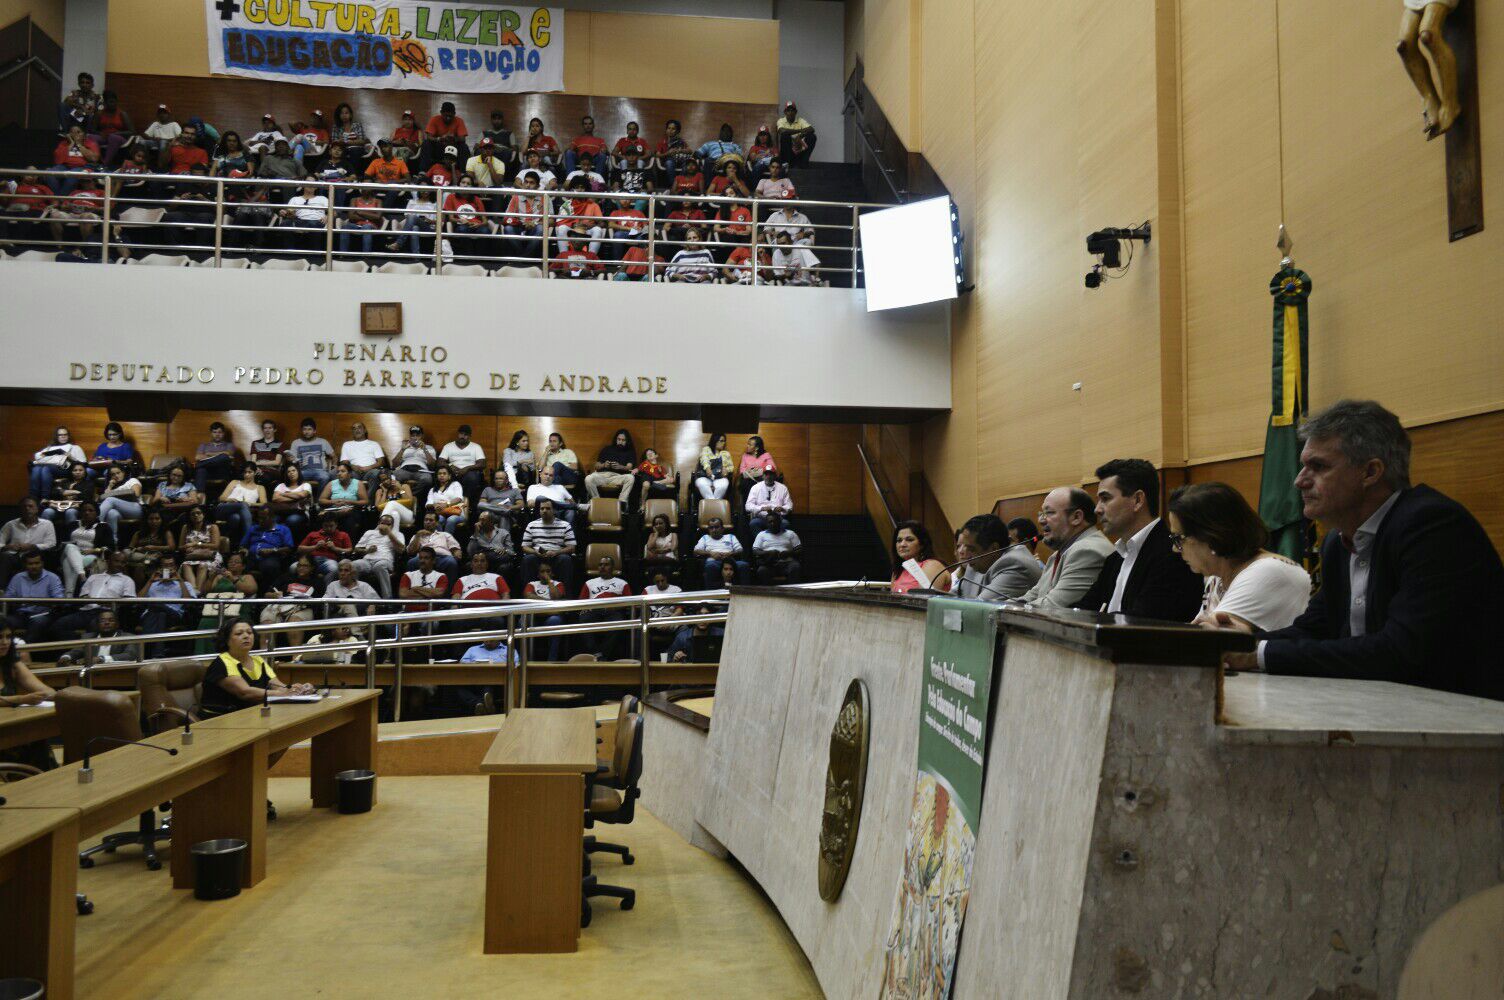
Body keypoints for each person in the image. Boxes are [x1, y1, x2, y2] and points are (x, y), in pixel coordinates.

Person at [1223, 400, 1504, 698]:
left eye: (1317, 467)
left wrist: (1258, 654)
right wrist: (1239, 642)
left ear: (1370, 472)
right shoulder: (1338, 541)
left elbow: (1401, 652)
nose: (1299, 481)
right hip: (1387, 710)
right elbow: (1315, 629)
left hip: (1467, 721)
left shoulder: (1432, 526)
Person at [1164, 482, 1311, 632]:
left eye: (1178, 539)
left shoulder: (1266, 572)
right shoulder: (1217, 578)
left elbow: (1210, 644)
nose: (1175, 548)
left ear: (1210, 536)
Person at [1074, 458, 1204, 620]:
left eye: (1105, 499)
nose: (1097, 509)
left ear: (1137, 500)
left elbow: (1145, 624)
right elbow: (1082, 610)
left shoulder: (1173, 554)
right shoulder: (1115, 559)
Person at [1018, 487, 1115, 609]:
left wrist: (1006, 609)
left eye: (1049, 512)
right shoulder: (1058, 554)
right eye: (1041, 514)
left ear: (1076, 517)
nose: (1041, 520)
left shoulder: (1087, 551)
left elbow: (1052, 607)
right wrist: (1001, 606)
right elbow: (1032, 596)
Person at [200, 618, 314, 717]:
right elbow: (245, 693)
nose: (246, 636)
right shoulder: (222, 662)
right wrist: (284, 693)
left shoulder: (258, 660)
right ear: (226, 639)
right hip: (220, 719)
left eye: (249, 633)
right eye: (239, 633)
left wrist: (297, 690)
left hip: (248, 715)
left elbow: (278, 686)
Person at [0, 623, 57, 771]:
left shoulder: (12, 663)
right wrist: (22, 699)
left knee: (36, 737)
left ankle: (43, 782)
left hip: (11, 724)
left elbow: (45, 691)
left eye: (8, 637)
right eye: (0, 637)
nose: (5, 642)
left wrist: (55, 696)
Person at [951, 514, 1041, 601]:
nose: (966, 555)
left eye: (972, 549)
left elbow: (981, 608)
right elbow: (952, 596)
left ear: (994, 548)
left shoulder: (1015, 565)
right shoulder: (976, 561)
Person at [138, 553, 196, 659]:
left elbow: (189, 602)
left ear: (176, 567)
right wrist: (151, 580)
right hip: (153, 616)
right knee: (160, 614)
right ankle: (158, 653)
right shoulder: (153, 584)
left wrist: (179, 580)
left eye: (171, 565)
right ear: (160, 568)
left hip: (174, 616)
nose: (168, 568)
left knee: (157, 605)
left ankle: (144, 649)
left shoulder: (185, 584)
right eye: (165, 565)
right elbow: (138, 600)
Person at [579, 554, 632, 659]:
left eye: (606, 565)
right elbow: (581, 602)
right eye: (600, 565)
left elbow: (629, 603)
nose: (602, 567)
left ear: (613, 568)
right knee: (583, 620)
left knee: (617, 624)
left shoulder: (622, 583)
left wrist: (616, 607)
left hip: (614, 610)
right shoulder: (589, 583)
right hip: (594, 610)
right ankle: (596, 653)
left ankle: (603, 656)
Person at [5, 549, 63, 640]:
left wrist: (39, 603)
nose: (34, 566)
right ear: (25, 565)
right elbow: (8, 598)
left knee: (37, 622)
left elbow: (59, 600)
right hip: (21, 615)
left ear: (42, 563)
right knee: (5, 621)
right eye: (30, 564)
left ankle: (25, 651)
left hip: (43, 615)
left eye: (37, 563)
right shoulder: (17, 578)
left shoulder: (52, 578)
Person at [521, 498, 577, 592]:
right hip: (538, 556)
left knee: (565, 559)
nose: (544, 511)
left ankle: (564, 595)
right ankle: (528, 593)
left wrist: (556, 552)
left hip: (557, 556)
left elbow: (572, 548)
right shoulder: (531, 525)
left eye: (548, 508)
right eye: (542, 509)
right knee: (527, 559)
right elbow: (524, 547)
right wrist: (535, 552)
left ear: (554, 510)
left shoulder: (565, 525)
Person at [59, 501, 113, 596]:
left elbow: (110, 547)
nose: (87, 513)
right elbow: (62, 542)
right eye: (84, 510)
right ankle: (82, 575)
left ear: (97, 513)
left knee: (68, 561)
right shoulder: (72, 525)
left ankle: (68, 595)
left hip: (89, 555)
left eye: (90, 510)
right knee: (70, 546)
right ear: (80, 512)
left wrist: (94, 550)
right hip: (70, 552)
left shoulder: (104, 526)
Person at [1, 498, 58, 583]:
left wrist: (33, 546)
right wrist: (8, 546)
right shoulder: (11, 524)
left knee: (38, 560)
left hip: (36, 556)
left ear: (37, 509)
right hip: (15, 556)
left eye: (30, 506)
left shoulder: (47, 524)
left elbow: (51, 544)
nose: (27, 509)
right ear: (20, 510)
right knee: (4, 557)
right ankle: (1, 590)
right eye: (24, 507)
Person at [55, 609, 135, 668]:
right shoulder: (88, 637)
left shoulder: (127, 637)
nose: (107, 623)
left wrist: (101, 659)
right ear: (97, 624)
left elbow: (130, 655)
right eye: (103, 621)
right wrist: (66, 657)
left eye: (111, 620)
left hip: (116, 673)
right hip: (92, 673)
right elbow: (76, 651)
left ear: (117, 624)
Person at [350, 513, 404, 598]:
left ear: (392, 526)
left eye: (388, 524)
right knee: (353, 565)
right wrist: (367, 550)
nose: (385, 526)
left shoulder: (397, 534)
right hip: (367, 560)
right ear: (378, 524)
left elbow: (401, 550)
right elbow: (356, 549)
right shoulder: (369, 532)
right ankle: (355, 596)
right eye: (383, 523)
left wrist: (389, 533)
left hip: (384, 560)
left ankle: (387, 600)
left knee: (379, 566)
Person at [523, 560, 568, 661]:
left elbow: (555, 597)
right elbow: (529, 597)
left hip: (550, 617)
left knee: (555, 620)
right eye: (542, 572)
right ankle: (525, 659)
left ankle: (551, 661)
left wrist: (549, 581)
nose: (545, 574)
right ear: (538, 574)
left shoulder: (558, 584)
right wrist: (549, 604)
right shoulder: (531, 584)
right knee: (523, 621)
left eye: (548, 571)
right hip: (534, 615)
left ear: (552, 573)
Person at [889, 521, 950, 594]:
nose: (902, 544)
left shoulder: (932, 565)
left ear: (922, 544)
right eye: (899, 540)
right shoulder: (898, 571)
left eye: (909, 540)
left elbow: (924, 600)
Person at [215, 464, 267, 548]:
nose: (246, 474)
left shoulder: (260, 487)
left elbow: (264, 503)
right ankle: (247, 543)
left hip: (242, 512)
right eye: (245, 472)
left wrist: (249, 503)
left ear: (255, 473)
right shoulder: (235, 482)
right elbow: (221, 498)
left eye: (249, 472)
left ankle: (234, 546)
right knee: (242, 506)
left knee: (236, 517)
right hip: (225, 507)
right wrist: (229, 499)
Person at [29, 426, 86, 500]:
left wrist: (71, 457)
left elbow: (84, 464)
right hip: (49, 466)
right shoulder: (50, 448)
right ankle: (33, 499)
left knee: (45, 469)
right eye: (60, 435)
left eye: (65, 435)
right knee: (36, 469)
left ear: (68, 436)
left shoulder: (75, 447)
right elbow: (39, 456)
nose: (63, 437)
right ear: (56, 436)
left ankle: (45, 498)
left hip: (66, 470)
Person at [177, 505, 223, 594]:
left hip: (209, 556)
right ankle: (194, 591)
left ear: (204, 514)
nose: (196, 515)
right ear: (189, 517)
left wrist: (196, 544)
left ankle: (198, 592)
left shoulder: (212, 527)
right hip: (192, 556)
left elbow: (216, 545)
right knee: (186, 565)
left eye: (198, 513)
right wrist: (186, 548)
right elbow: (180, 547)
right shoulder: (186, 527)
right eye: (193, 514)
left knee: (202, 565)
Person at [243, 505, 295, 583]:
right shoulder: (253, 528)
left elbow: (289, 548)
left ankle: (268, 591)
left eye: (264, 518)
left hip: (270, 557)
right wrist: (244, 550)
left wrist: (272, 550)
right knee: (237, 563)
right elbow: (243, 545)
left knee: (269, 566)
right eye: (259, 518)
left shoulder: (283, 529)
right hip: (251, 557)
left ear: (272, 517)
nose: (260, 521)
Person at [405, 510, 463, 579]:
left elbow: (455, 549)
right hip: (422, 558)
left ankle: (449, 590)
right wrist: (418, 536)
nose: (428, 522)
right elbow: (410, 552)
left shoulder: (445, 535)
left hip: (442, 559)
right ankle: (414, 588)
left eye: (431, 520)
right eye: (426, 520)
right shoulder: (417, 536)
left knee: (451, 562)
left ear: (436, 523)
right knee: (411, 562)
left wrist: (457, 553)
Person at [125, 508, 174, 586]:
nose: (154, 521)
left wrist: (154, 547)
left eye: (157, 518)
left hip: (157, 558)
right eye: (151, 519)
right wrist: (138, 549)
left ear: (161, 520)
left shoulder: (165, 532)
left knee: (141, 567)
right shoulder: (139, 533)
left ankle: (140, 591)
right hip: (139, 557)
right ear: (146, 520)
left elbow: (171, 547)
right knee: (128, 559)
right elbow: (130, 548)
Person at [317, 462, 368, 537]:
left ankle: (348, 545)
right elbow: (321, 500)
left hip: (352, 510)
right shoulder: (332, 484)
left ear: (350, 474)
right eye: (338, 472)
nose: (339, 473)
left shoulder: (358, 484)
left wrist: (349, 501)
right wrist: (334, 501)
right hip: (334, 508)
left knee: (348, 520)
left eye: (343, 471)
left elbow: (365, 501)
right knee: (324, 517)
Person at [694, 517, 747, 589]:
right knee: (710, 566)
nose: (714, 530)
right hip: (714, 562)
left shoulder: (730, 537)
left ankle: (744, 593)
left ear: (722, 528)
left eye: (716, 527)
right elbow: (696, 550)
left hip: (730, 561)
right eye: (711, 528)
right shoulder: (705, 537)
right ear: (708, 529)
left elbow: (740, 550)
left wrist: (730, 554)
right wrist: (710, 553)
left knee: (744, 565)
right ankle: (711, 594)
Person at [585, 429, 637, 501]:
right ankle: (596, 501)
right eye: (619, 439)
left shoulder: (630, 452)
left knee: (631, 477)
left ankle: (621, 502)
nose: (620, 442)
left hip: (617, 477)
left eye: (623, 440)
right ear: (616, 439)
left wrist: (620, 466)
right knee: (588, 478)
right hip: (602, 475)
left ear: (627, 441)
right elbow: (596, 465)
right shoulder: (607, 449)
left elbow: (629, 467)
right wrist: (603, 465)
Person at [298, 511, 354, 578]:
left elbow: (349, 550)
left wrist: (335, 548)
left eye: (331, 526)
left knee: (334, 569)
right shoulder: (313, 534)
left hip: (329, 561)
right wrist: (315, 546)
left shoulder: (343, 535)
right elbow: (300, 549)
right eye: (326, 526)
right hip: (311, 560)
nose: (328, 528)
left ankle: (327, 588)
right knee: (293, 567)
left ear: (336, 525)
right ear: (322, 525)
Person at [287, 418, 336, 494]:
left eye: (309, 429)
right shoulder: (296, 443)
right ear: (301, 430)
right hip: (302, 471)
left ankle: (319, 500)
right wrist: (290, 459)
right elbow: (291, 458)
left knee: (325, 477)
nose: (307, 432)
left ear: (314, 431)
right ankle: (300, 501)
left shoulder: (323, 442)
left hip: (320, 471)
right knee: (292, 476)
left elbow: (334, 456)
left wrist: (334, 466)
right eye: (304, 429)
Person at [440, 424, 487, 501]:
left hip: (470, 472)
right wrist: (450, 466)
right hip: (452, 471)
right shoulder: (448, 446)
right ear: (458, 434)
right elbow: (440, 462)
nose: (463, 436)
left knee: (472, 478)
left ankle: (466, 502)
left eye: (466, 435)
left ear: (469, 436)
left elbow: (482, 463)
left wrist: (467, 468)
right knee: (444, 475)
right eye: (461, 434)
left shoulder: (476, 447)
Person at [752, 512, 802, 584]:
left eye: (775, 521)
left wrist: (789, 553)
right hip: (769, 563)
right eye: (770, 522)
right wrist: (768, 553)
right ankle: (767, 593)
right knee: (762, 570)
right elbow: (755, 551)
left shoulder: (790, 533)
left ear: (780, 522)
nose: (773, 523)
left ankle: (793, 592)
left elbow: (799, 549)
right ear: (767, 523)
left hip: (787, 562)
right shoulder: (761, 535)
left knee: (795, 567)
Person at [42, 461, 95, 528]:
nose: (77, 472)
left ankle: (72, 536)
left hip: (76, 508)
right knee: (47, 512)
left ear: (84, 472)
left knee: (70, 512)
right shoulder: (64, 482)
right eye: (75, 470)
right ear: (71, 472)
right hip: (58, 507)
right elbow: (54, 493)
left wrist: (63, 492)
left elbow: (86, 496)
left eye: (80, 470)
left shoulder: (88, 484)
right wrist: (76, 492)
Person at [400, 546, 451, 615]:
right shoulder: (408, 575)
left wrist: (416, 588)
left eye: (426, 558)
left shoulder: (441, 576)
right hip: (409, 613)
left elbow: (439, 594)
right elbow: (403, 595)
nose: (422, 561)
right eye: (420, 558)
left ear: (433, 561)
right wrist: (429, 594)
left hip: (431, 614)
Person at [393, 424, 437, 500]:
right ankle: (408, 497)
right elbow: (394, 464)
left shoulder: (429, 448)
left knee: (428, 479)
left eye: (417, 435)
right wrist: (402, 450)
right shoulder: (404, 447)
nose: (415, 438)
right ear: (410, 437)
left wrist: (425, 449)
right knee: (394, 477)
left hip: (421, 471)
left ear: (422, 436)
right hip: (405, 470)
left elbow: (432, 465)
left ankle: (409, 497)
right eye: (413, 435)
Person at [271, 464, 315, 540]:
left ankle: (290, 545)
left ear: (298, 472)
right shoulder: (281, 485)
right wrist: (295, 498)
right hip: (282, 511)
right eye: (288, 472)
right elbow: (275, 498)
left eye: (293, 470)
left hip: (300, 512)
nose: (291, 473)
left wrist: (283, 494)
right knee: (272, 520)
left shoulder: (305, 485)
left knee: (291, 520)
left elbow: (302, 495)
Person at [745, 465, 793, 535]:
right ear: (763, 476)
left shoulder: (783, 488)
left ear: (775, 476)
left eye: (771, 474)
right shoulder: (755, 487)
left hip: (777, 518)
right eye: (766, 474)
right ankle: (763, 543)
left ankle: (777, 543)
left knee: (785, 523)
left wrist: (782, 508)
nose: (769, 476)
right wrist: (761, 508)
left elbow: (789, 505)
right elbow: (748, 506)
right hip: (761, 518)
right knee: (753, 523)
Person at [467, 511, 516, 576]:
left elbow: (511, 552)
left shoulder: (503, 533)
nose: (480, 522)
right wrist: (476, 534)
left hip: (498, 560)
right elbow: (470, 551)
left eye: (483, 520)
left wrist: (505, 550)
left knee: (505, 566)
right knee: (470, 565)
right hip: (483, 559)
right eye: (479, 519)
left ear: (491, 521)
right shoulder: (477, 534)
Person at [425, 464, 469, 536]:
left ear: (449, 476)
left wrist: (447, 504)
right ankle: (439, 540)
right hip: (440, 512)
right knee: (438, 520)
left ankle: (446, 541)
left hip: (456, 512)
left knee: (451, 520)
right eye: (439, 474)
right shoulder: (433, 490)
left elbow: (459, 498)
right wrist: (434, 505)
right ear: (437, 476)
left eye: (444, 473)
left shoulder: (455, 484)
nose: (442, 475)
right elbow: (427, 504)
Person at [627, 448, 673, 514]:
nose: (649, 453)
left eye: (651, 452)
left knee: (670, 479)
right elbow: (638, 469)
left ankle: (657, 483)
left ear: (656, 456)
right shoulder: (644, 464)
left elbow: (668, 478)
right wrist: (635, 470)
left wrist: (667, 479)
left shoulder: (660, 467)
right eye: (647, 454)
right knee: (646, 484)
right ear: (646, 457)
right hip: (647, 477)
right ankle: (642, 505)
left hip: (657, 479)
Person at [340, 422, 387, 487]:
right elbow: (343, 461)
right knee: (348, 474)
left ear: (365, 430)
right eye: (354, 428)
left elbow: (381, 462)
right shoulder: (347, 444)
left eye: (359, 427)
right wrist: (352, 466)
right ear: (352, 432)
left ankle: (367, 497)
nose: (357, 430)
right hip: (354, 471)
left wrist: (369, 467)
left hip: (370, 470)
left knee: (375, 473)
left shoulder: (374, 444)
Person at [775, 101, 817, 168]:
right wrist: (799, 131)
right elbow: (782, 131)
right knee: (785, 136)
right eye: (788, 110)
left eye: (792, 110)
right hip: (787, 152)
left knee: (812, 136)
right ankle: (788, 163)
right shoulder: (781, 121)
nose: (790, 112)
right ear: (785, 112)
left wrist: (800, 136)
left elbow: (811, 129)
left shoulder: (800, 120)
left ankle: (804, 161)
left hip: (799, 149)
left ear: (796, 112)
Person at [695, 433, 734, 502]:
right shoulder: (706, 449)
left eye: (724, 441)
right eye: (721, 441)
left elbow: (731, 467)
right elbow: (704, 459)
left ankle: (710, 505)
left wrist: (726, 470)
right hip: (706, 477)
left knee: (724, 483)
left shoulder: (726, 454)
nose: (723, 443)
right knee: (700, 482)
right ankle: (715, 504)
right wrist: (707, 468)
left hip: (719, 478)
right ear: (715, 441)